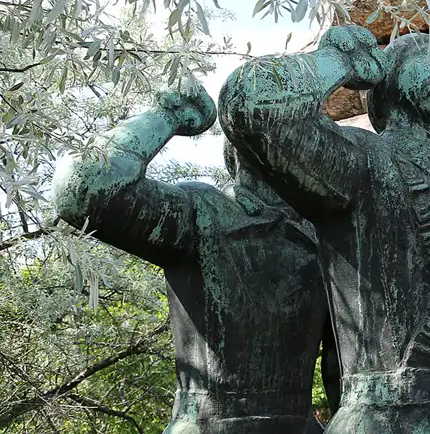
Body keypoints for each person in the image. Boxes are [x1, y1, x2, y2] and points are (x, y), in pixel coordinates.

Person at [218, 28, 430, 434]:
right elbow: (252, 107)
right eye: (412, 56)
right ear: (382, 95)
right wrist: (339, 63)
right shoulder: (360, 166)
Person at [51, 85, 339, 434]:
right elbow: (85, 189)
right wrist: (167, 114)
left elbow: (339, 371)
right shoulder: (206, 212)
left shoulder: (324, 242)